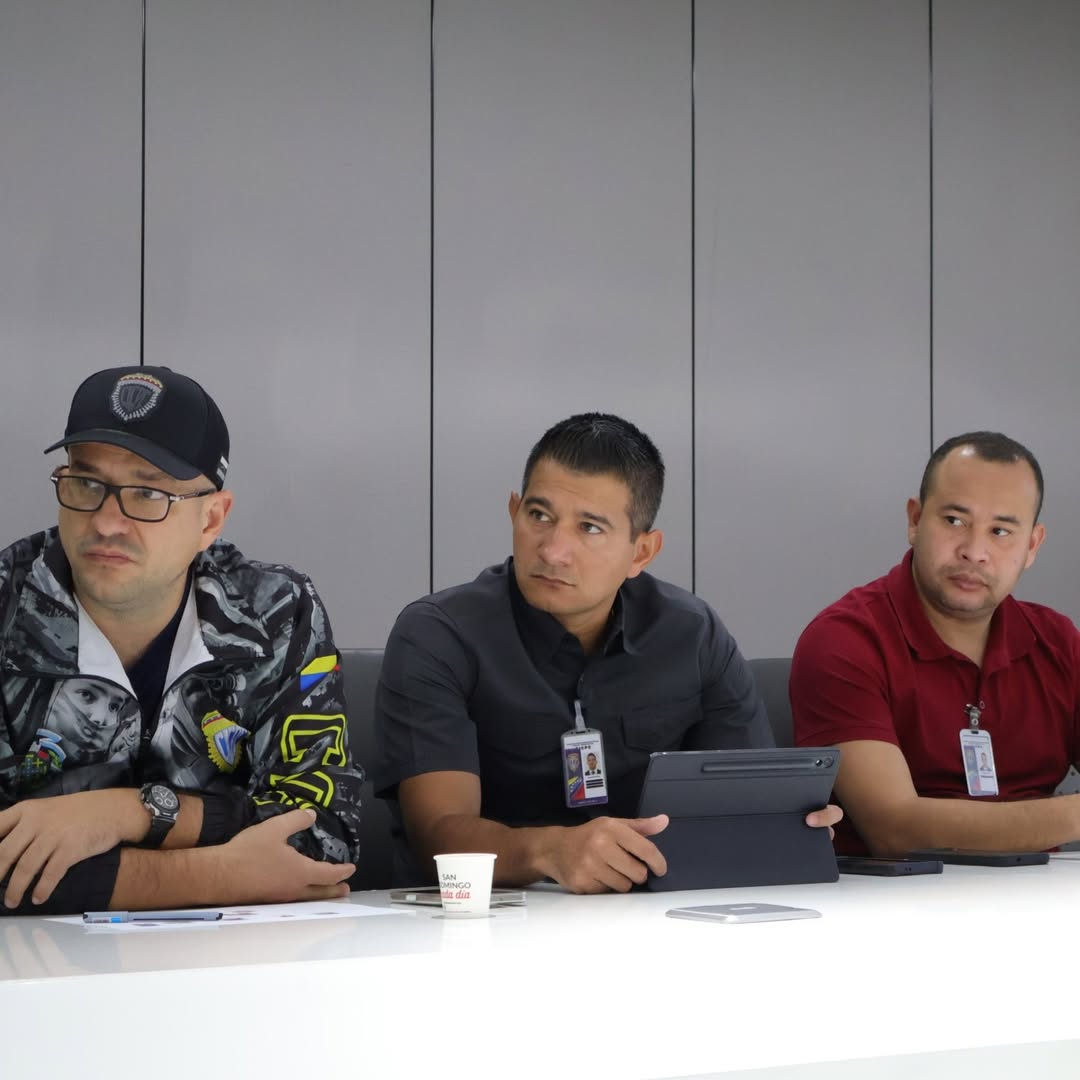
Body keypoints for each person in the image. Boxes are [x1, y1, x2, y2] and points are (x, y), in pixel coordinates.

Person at [375, 413, 840, 893]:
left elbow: (744, 805)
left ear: (642, 552)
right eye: (539, 516)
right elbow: (438, 836)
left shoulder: (691, 633)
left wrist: (779, 825)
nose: (553, 551)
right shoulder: (439, 634)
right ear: (514, 511)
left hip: (651, 912)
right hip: (481, 918)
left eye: (590, 528)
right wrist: (550, 850)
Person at [0, 366, 363, 914]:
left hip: (232, 962)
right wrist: (217, 875)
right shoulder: (7, 605)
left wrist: (130, 812)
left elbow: (326, 836)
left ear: (211, 520)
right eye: (86, 484)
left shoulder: (276, 614)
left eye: (148, 493)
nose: (106, 522)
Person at [791, 431, 1080, 855]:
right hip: (899, 891)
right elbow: (894, 828)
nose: (975, 551)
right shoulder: (844, 640)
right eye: (954, 521)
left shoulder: (1058, 641)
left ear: (1032, 545)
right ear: (915, 520)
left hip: (1045, 891)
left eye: (1001, 531)